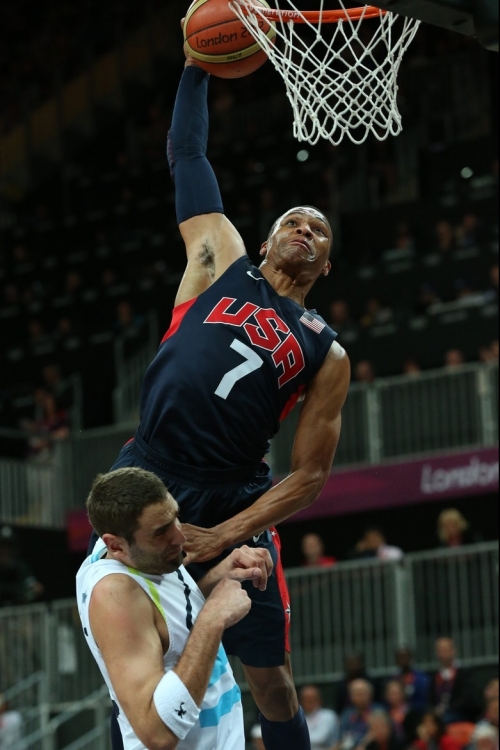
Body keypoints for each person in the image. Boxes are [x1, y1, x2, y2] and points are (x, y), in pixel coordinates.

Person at [89, 34, 351, 750]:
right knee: (135, 656)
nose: (305, 230)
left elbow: (310, 477)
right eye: (293, 221)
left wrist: (225, 535)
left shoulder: (326, 351)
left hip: (233, 492)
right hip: (149, 473)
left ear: (326, 266)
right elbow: (188, 155)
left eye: (320, 230)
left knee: (271, 680)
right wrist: (195, 66)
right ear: (265, 241)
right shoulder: (220, 261)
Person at [78, 467, 274, 750]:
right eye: (161, 532)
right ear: (116, 545)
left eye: (175, 518)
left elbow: (168, 623)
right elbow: (156, 733)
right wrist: (212, 618)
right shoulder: (115, 596)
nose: (180, 536)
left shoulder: (143, 554)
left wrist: (220, 574)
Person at [428, 638, 478, 724]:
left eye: (445, 650)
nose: (443, 654)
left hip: (459, 714)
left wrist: (448, 708)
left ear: (453, 651)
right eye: (440, 650)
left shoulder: (463, 674)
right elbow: (430, 699)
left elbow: (466, 698)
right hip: (438, 713)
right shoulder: (434, 677)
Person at [336, 680, 383, 750]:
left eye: (364, 693)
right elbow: (342, 739)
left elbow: (379, 734)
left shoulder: (378, 711)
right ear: (351, 697)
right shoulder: (346, 714)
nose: (361, 697)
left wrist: (363, 744)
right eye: (358, 694)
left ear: (370, 695)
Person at [299, 684, 339, 749]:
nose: (308, 703)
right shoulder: (299, 718)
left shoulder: (328, 715)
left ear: (319, 700)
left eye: (311, 699)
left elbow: (320, 738)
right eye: (305, 699)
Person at [394, 647, 430, 713]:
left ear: (410, 658)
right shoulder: (394, 679)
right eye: (400, 657)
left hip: (417, 712)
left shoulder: (421, 678)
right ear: (397, 660)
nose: (403, 660)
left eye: (405, 656)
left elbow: (424, 698)